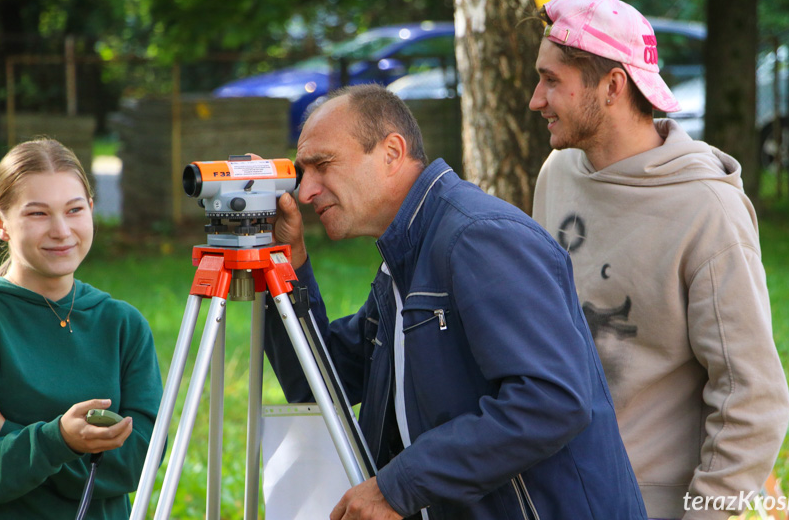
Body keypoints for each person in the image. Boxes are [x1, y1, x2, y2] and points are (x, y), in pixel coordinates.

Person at [264, 83, 647, 520]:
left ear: (391, 152)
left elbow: (552, 401)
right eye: (301, 173)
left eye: (322, 166)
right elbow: (315, 381)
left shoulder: (479, 236)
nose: (306, 191)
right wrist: (284, 267)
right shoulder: (406, 258)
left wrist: (398, 486)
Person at [529, 0, 789, 520]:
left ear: (613, 86)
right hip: (550, 494)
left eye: (552, 80)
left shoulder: (708, 210)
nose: (536, 98)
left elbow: (751, 396)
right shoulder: (557, 174)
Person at [0, 138, 163, 519]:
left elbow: (140, 463)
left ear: (91, 211)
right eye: (38, 214)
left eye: (74, 210)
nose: (62, 230)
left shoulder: (124, 325)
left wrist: (13, 433)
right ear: (0, 224)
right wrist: (59, 441)